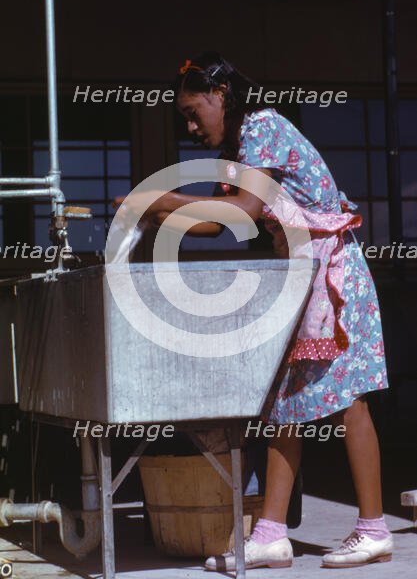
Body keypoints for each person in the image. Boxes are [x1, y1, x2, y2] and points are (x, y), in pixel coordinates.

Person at [115, 52, 393, 571]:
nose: (192, 126)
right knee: (284, 405)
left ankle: (374, 528)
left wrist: (164, 198)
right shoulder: (242, 154)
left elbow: (242, 212)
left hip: (332, 277)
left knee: (348, 399)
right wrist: (153, 210)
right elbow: (215, 226)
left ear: (222, 96)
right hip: (301, 278)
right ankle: (269, 534)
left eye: (195, 112)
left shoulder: (263, 126)